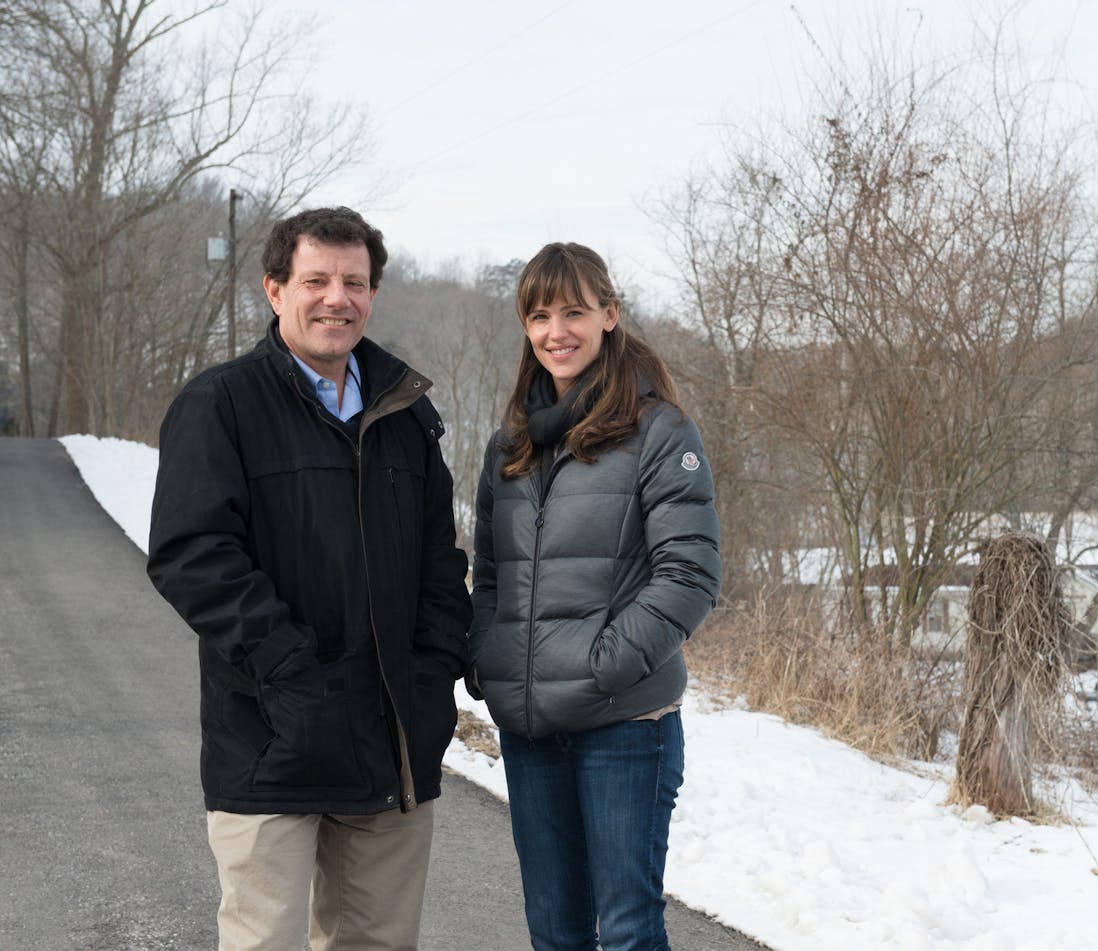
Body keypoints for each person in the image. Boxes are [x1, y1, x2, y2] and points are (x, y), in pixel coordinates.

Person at [146, 206, 471, 950]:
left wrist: (431, 678)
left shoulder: (407, 414)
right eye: (316, 279)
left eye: (354, 282)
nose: (337, 298)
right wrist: (292, 675)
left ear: (372, 294)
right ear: (274, 290)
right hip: (270, 739)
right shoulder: (220, 404)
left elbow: (438, 564)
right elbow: (191, 554)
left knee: (378, 943)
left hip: (391, 744)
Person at [467, 242, 722, 951]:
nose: (558, 330)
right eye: (540, 314)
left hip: (624, 724)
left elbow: (690, 574)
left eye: (574, 310)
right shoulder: (508, 446)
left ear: (609, 315)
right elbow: (488, 574)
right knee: (555, 932)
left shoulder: (659, 431)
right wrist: (490, 655)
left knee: (629, 930)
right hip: (530, 727)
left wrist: (603, 663)